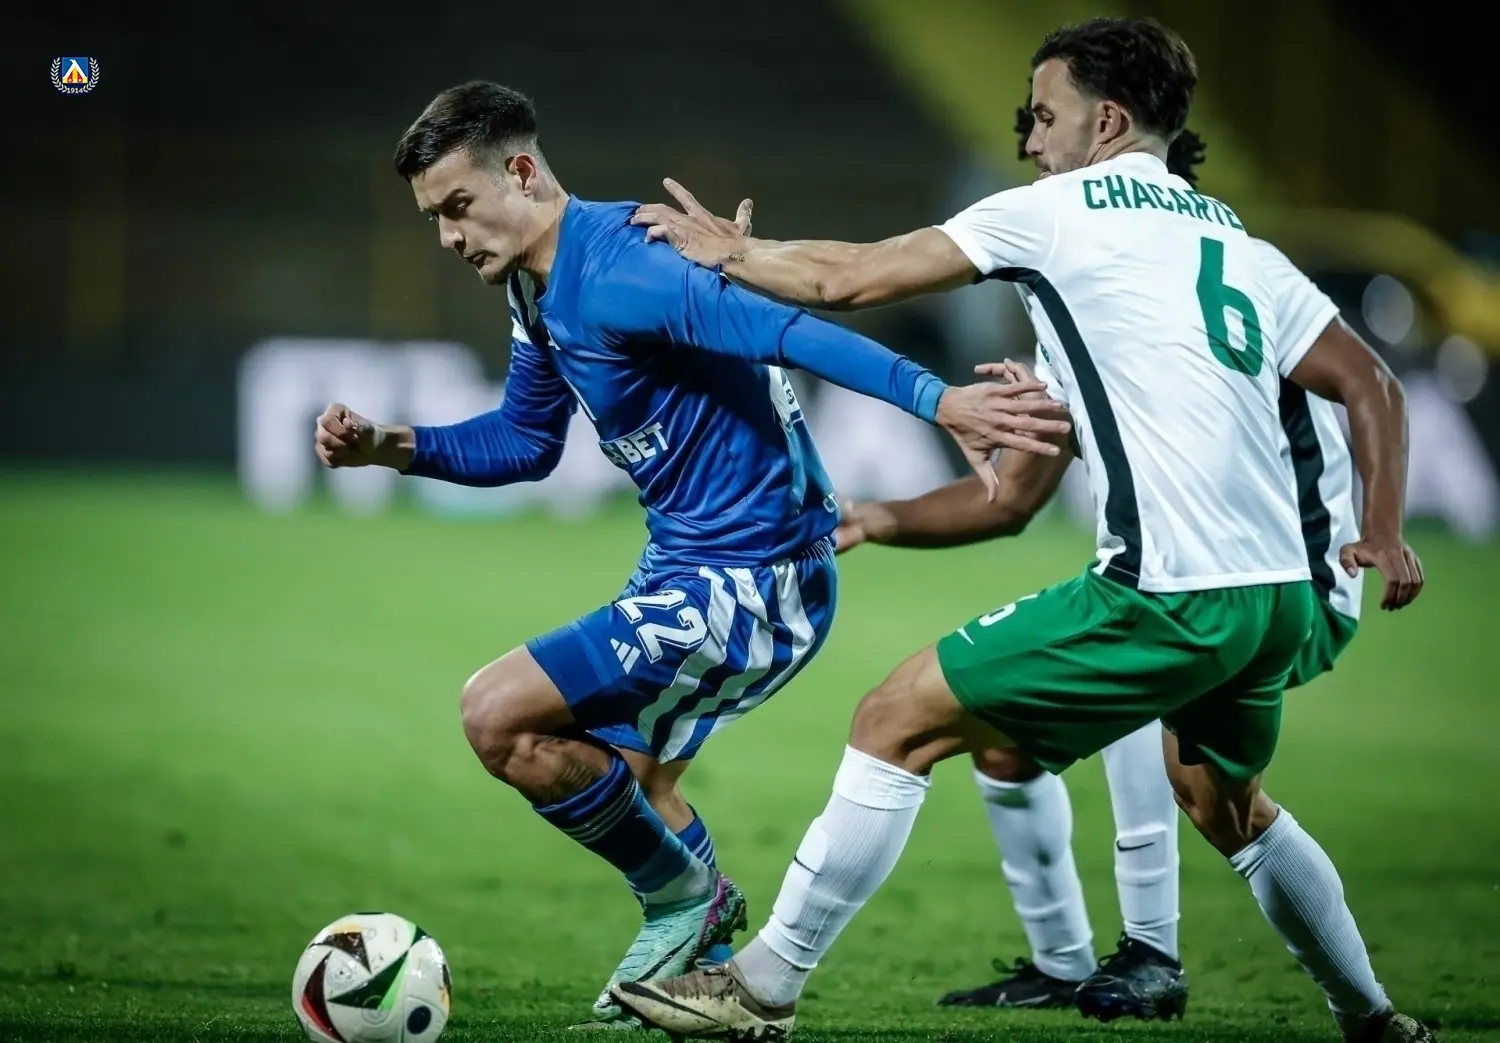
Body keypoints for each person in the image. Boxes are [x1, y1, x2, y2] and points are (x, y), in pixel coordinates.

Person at [613, 16, 1430, 1042]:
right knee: (1227, 806)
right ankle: (1375, 1018)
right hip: (1280, 601)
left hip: (1171, 593)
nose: (1031, 141)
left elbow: (848, 277)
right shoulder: (1233, 243)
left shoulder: (1061, 214)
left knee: (894, 716)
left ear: (1108, 122)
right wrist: (1384, 530)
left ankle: (760, 986)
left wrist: (735, 254)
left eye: (1044, 116)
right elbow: (1370, 381)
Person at [312, 81, 1065, 1029]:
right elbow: (526, 441)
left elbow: (787, 329)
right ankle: (700, 975)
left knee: (495, 712)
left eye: (458, 206)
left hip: (755, 576)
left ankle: (687, 902)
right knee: (619, 782)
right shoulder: (535, 285)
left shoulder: (628, 267)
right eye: (433, 218)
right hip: (689, 566)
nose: (448, 236)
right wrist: (392, 446)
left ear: (522, 171)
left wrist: (938, 399)